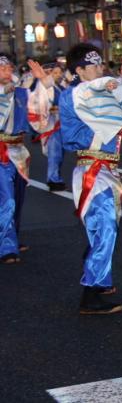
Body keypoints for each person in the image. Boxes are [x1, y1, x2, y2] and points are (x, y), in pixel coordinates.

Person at [59, 46, 122, 314]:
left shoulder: (101, 94)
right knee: (104, 229)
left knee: (104, 229)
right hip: (91, 171)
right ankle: (91, 293)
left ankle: (98, 280)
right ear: (78, 71)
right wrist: (112, 83)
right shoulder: (73, 95)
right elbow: (89, 91)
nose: (99, 70)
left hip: (107, 170)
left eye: (100, 65)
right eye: (92, 66)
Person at [0, 57, 51, 264]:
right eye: (1, 68)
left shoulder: (20, 90)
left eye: (7, 67)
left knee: (18, 198)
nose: (5, 70)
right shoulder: (13, 89)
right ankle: (7, 246)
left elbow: (39, 105)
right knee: (7, 200)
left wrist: (43, 81)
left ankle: (12, 235)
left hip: (18, 150)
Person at [34, 62, 67, 191]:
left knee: (60, 154)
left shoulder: (60, 87)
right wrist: (56, 108)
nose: (59, 75)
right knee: (54, 153)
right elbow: (42, 106)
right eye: (55, 73)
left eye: (60, 72)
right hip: (52, 125)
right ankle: (53, 179)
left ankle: (56, 176)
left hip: (61, 124)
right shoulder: (46, 88)